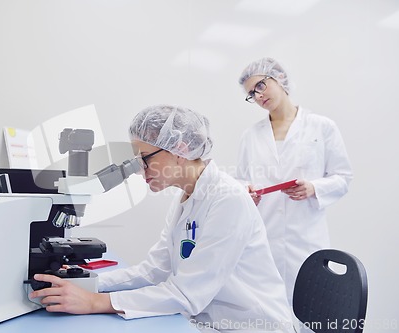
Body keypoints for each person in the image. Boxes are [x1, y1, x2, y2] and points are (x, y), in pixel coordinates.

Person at [30, 104, 295, 332]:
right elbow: (154, 270)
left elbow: (187, 293)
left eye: (144, 158)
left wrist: (94, 302)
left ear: (179, 149)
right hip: (211, 322)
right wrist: (88, 282)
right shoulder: (185, 199)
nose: (138, 170)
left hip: (252, 325)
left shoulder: (227, 198)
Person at [236, 57, 353, 306]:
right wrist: (246, 192)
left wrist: (314, 188)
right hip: (265, 240)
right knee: (269, 311)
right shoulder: (250, 136)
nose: (257, 96)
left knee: (311, 308)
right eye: (251, 94)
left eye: (260, 86)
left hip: (306, 239)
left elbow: (343, 177)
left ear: (278, 78)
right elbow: (242, 179)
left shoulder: (322, 127)